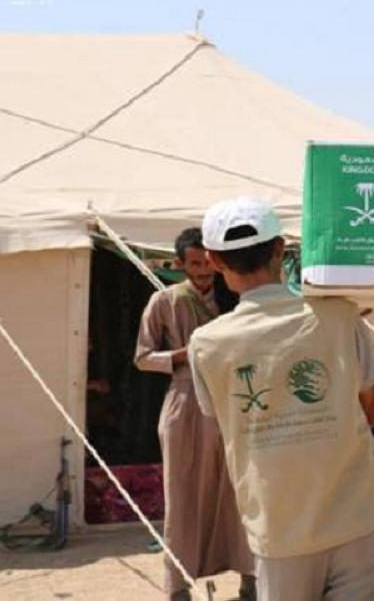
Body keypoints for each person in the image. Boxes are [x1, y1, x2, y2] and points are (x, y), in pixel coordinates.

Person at [187, 197, 374, 601]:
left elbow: (221, 421)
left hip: (280, 533)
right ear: (280, 248)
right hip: (358, 521)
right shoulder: (338, 315)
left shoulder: (206, 345)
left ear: (213, 260)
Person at [135, 228, 256, 600]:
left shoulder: (236, 298)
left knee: (242, 491)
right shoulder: (164, 301)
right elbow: (142, 358)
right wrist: (183, 355)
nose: (203, 271)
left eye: (208, 263)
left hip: (232, 398)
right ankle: (178, 586)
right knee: (183, 493)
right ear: (179, 264)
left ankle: (250, 576)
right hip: (186, 402)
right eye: (195, 264)